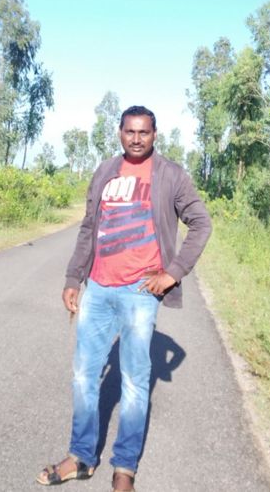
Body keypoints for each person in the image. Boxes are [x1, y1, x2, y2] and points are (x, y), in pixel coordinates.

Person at [36, 105, 212, 492]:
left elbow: (201, 223)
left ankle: (125, 468)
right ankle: (81, 457)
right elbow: (89, 227)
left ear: (154, 135)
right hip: (99, 288)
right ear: (119, 133)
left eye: (143, 132)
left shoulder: (171, 175)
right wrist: (73, 277)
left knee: (134, 382)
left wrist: (173, 272)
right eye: (130, 131)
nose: (136, 138)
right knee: (84, 376)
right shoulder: (105, 171)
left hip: (139, 292)